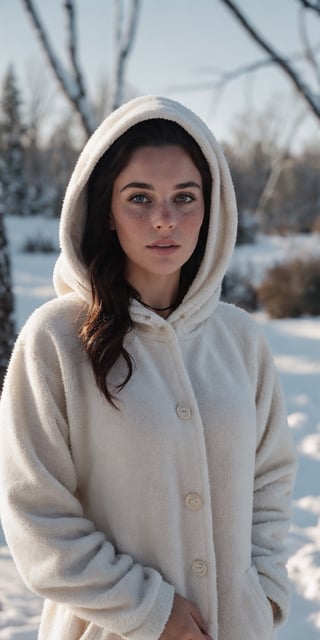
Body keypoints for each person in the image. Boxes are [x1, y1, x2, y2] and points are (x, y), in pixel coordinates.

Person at [0, 95, 297, 640]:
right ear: (106, 212)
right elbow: (36, 515)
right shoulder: (56, 341)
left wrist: (265, 589)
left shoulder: (240, 340)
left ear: (212, 209)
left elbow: (271, 478)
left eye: (185, 197)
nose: (166, 219)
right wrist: (149, 610)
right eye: (140, 198)